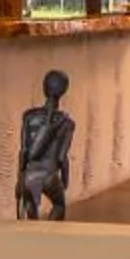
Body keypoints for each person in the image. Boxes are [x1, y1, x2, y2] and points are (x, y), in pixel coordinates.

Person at [16, 69, 77, 221]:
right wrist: (64, 180)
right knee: (59, 205)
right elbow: (62, 157)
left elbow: (23, 151)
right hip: (49, 175)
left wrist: (21, 177)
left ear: (44, 88)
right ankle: (50, 235)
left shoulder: (28, 116)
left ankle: (31, 237)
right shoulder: (66, 123)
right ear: (63, 92)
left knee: (30, 210)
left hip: (30, 176)